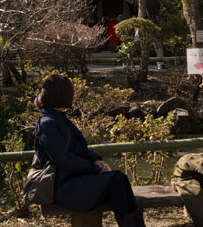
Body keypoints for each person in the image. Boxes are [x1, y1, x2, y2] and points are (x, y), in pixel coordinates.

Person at [33, 75, 145, 227]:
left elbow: (80, 149)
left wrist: (95, 160)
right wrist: (94, 169)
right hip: (62, 185)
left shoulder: (58, 118)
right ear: (60, 94)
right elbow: (63, 159)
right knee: (116, 181)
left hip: (75, 179)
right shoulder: (48, 123)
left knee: (121, 179)